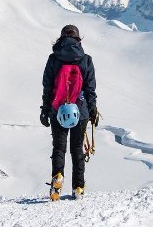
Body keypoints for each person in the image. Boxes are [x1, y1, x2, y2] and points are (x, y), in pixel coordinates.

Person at [40, 25, 98, 200]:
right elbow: (90, 89)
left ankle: (57, 180)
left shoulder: (53, 59)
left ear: (61, 39)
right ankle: (78, 188)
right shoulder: (86, 59)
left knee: (59, 148)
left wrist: (45, 110)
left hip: (58, 110)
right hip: (80, 111)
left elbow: (48, 87)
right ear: (78, 40)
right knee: (77, 150)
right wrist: (93, 109)